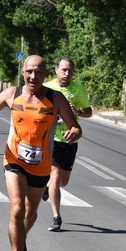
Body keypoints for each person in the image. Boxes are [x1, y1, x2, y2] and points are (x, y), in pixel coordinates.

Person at [0, 54, 82, 251]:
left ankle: (20, 241)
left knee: (30, 213)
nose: (33, 76)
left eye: (38, 72)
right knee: (16, 209)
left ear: (45, 74)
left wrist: (74, 132)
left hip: (41, 166)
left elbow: (75, 126)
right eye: (29, 71)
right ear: (23, 72)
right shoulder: (12, 93)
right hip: (14, 159)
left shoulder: (56, 98)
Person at [43, 57, 92, 231]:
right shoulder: (47, 88)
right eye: (63, 69)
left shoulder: (78, 90)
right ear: (56, 70)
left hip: (70, 139)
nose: (67, 73)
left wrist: (77, 111)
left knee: (63, 181)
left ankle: (48, 187)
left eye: (70, 70)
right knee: (54, 176)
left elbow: (88, 112)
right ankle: (56, 217)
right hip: (51, 139)